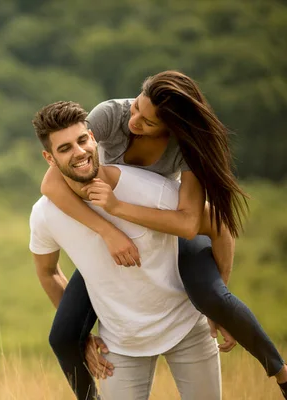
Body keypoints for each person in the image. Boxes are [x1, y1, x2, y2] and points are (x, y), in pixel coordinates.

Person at [39, 71, 287, 400]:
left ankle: (282, 373)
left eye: (148, 121)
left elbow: (188, 224)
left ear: (172, 128)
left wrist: (117, 207)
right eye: (137, 107)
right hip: (119, 237)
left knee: (211, 297)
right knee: (63, 336)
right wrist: (108, 230)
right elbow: (51, 182)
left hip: (163, 226)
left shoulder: (185, 148)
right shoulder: (111, 115)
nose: (135, 121)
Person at [29, 101, 221, 399]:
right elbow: (47, 271)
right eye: (64, 148)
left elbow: (213, 223)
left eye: (82, 140)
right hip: (120, 345)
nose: (78, 152)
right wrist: (83, 338)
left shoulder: (142, 187)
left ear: (93, 137)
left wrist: (218, 302)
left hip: (186, 328)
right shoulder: (45, 214)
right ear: (49, 158)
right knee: (61, 338)